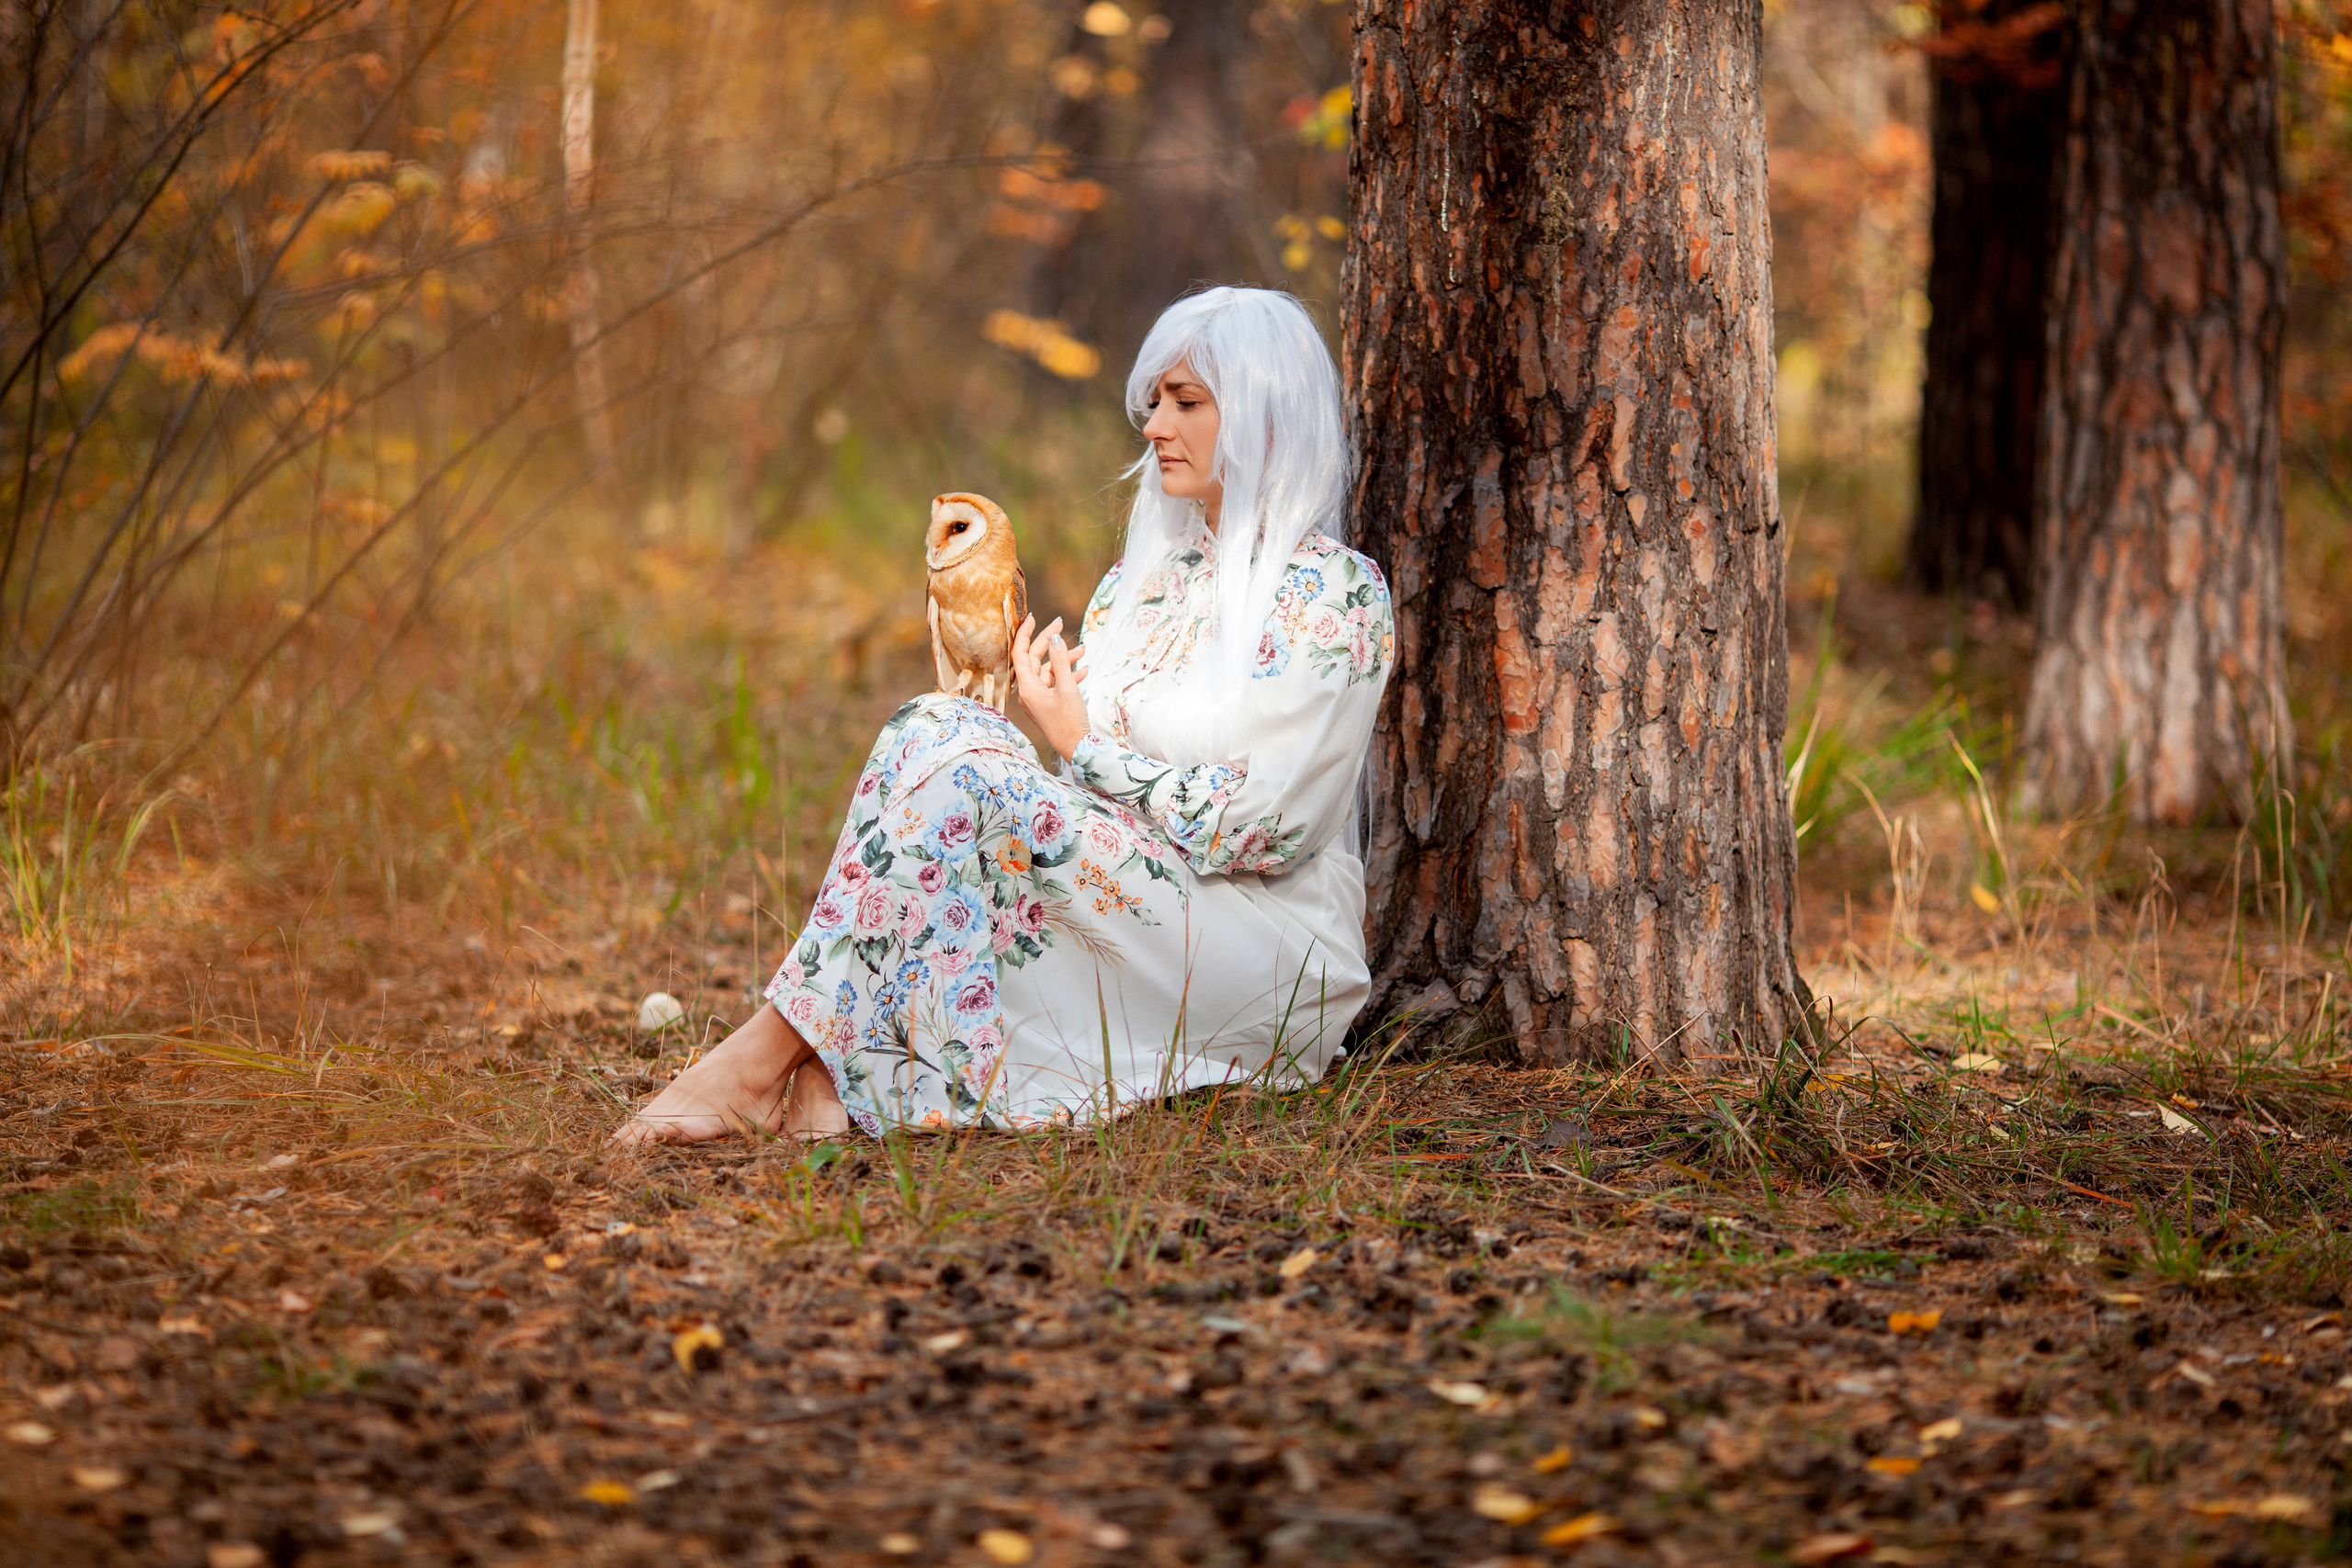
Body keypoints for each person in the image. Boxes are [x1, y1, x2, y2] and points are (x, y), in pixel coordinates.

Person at [614, 287, 1395, 1144]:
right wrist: (1044, 731)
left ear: (1264, 414)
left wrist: (1081, 746)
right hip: (1147, 918)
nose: (1153, 426)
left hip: (1263, 951)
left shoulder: (1335, 594)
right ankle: (823, 1080)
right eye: (1153, 401)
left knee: (973, 766)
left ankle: (753, 1067)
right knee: (935, 726)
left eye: (1186, 402)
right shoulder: (1147, 585)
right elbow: (1085, 817)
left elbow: (1266, 829)